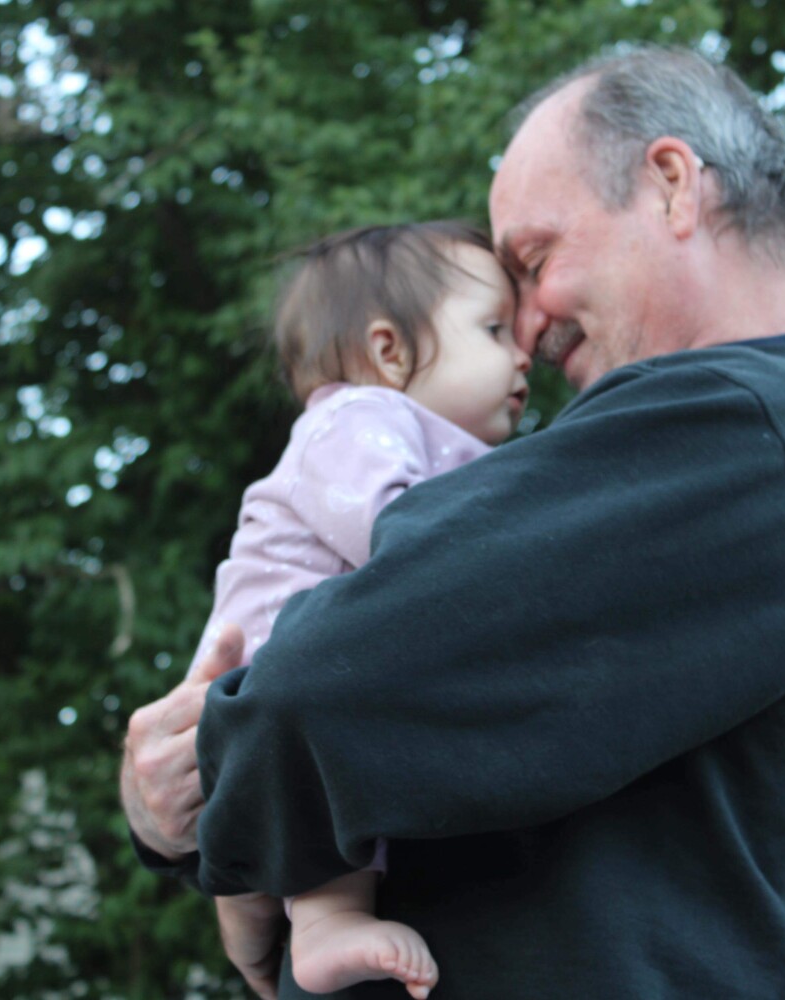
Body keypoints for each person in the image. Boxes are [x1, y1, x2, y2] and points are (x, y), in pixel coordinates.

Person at [123, 46, 785, 999]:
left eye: (536, 261)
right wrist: (181, 800)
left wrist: (217, 777)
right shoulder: (700, 446)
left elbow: (335, 679)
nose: (528, 325)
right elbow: (322, 691)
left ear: (670, 186)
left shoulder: (753, 430)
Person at [182, 221, 529, 1000]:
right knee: (335, 763)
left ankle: (261, 902)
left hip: (258, 726)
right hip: (270, 670)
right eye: (493, 329)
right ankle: (326, 921)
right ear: (389, 351)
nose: (523, 352)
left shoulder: (422, 433)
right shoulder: (358, 419)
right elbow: (396, 540)